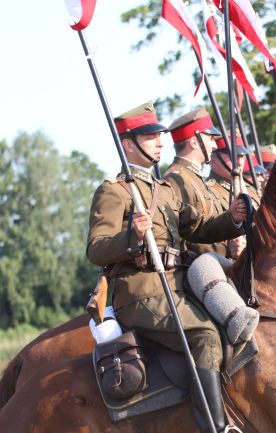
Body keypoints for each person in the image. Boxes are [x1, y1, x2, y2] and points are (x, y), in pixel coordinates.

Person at [86, 102, 244, 433]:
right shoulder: (114, 191)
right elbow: (96, 248)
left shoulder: (164, 190)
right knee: (204, 335)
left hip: (176, 284)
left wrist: (233, 220)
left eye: (159, 135)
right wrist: (132, 235)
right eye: (150, 137)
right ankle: (215, 427)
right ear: (128, 144)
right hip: (141, 293)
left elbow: (199, 229)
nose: (161, 142)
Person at [165, 107, 246, 260]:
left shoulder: (193, 176)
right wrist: (227, 248)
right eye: (210, 138)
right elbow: (189, 234)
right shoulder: (176, 179)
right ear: (194, 142)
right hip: (200, 268)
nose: (214, 146)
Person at [209, 133, 261, 210]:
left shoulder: (249, 189)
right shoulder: (208, 191)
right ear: (213, 161)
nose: (240, 163)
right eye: (233, 157)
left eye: (242, 156)